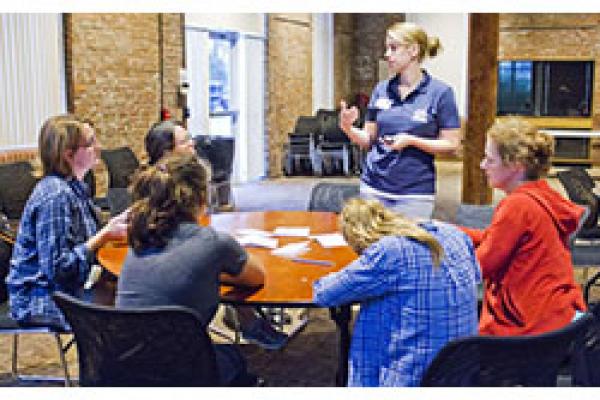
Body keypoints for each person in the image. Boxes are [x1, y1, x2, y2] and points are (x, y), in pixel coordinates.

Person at [116, 153, 264, 386]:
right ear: (202, 196)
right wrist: (211, 269)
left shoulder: (140, 239)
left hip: (125, 363)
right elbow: (256, 277)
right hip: (182, 368)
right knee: (235, 358)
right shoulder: (213, 242)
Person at [142, 121, 288, 350]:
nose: (193, 144)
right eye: (185, 141)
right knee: (224, 264)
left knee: (215, 263)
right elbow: (255, 276)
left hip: (135, 349)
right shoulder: (155, 193)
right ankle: (248, 322)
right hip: (182, 352)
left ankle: (248, 321)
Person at [313, 198, 480, 386]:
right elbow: (477, 276)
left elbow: (325, 294)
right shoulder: (454, 234)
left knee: (375, 306)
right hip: (459, 367)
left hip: (412, 373)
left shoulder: (391, 251)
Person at [460, 117, 587, 335]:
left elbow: (478, 268)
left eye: (490, 160)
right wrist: (449, 232)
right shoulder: (542, 195)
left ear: (515, 166)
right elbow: (496, 237)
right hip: (557, 317)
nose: (482, 166)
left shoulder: (517, 205)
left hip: (529, 326)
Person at [6, 115, 128, 328]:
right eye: (90, 144)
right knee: (130, 310)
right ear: (68, 154)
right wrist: (105, 234)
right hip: (40, 299)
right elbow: (59, 270)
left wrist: (113, 227)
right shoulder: (56, 195)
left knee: (126, 294)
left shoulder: (74, 186)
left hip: (63, 290)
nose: (98, 147)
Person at [339, 22, 461, 219]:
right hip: (374, 187)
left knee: (408, 248)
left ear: (413, 50)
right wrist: (348, 128)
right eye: (387, 48)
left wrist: (412, 141)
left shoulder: (441, 93)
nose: (387, 54)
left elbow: (451, 143)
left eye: (393, 48)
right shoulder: (381, 89)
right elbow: (369, 139)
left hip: (415, 192)